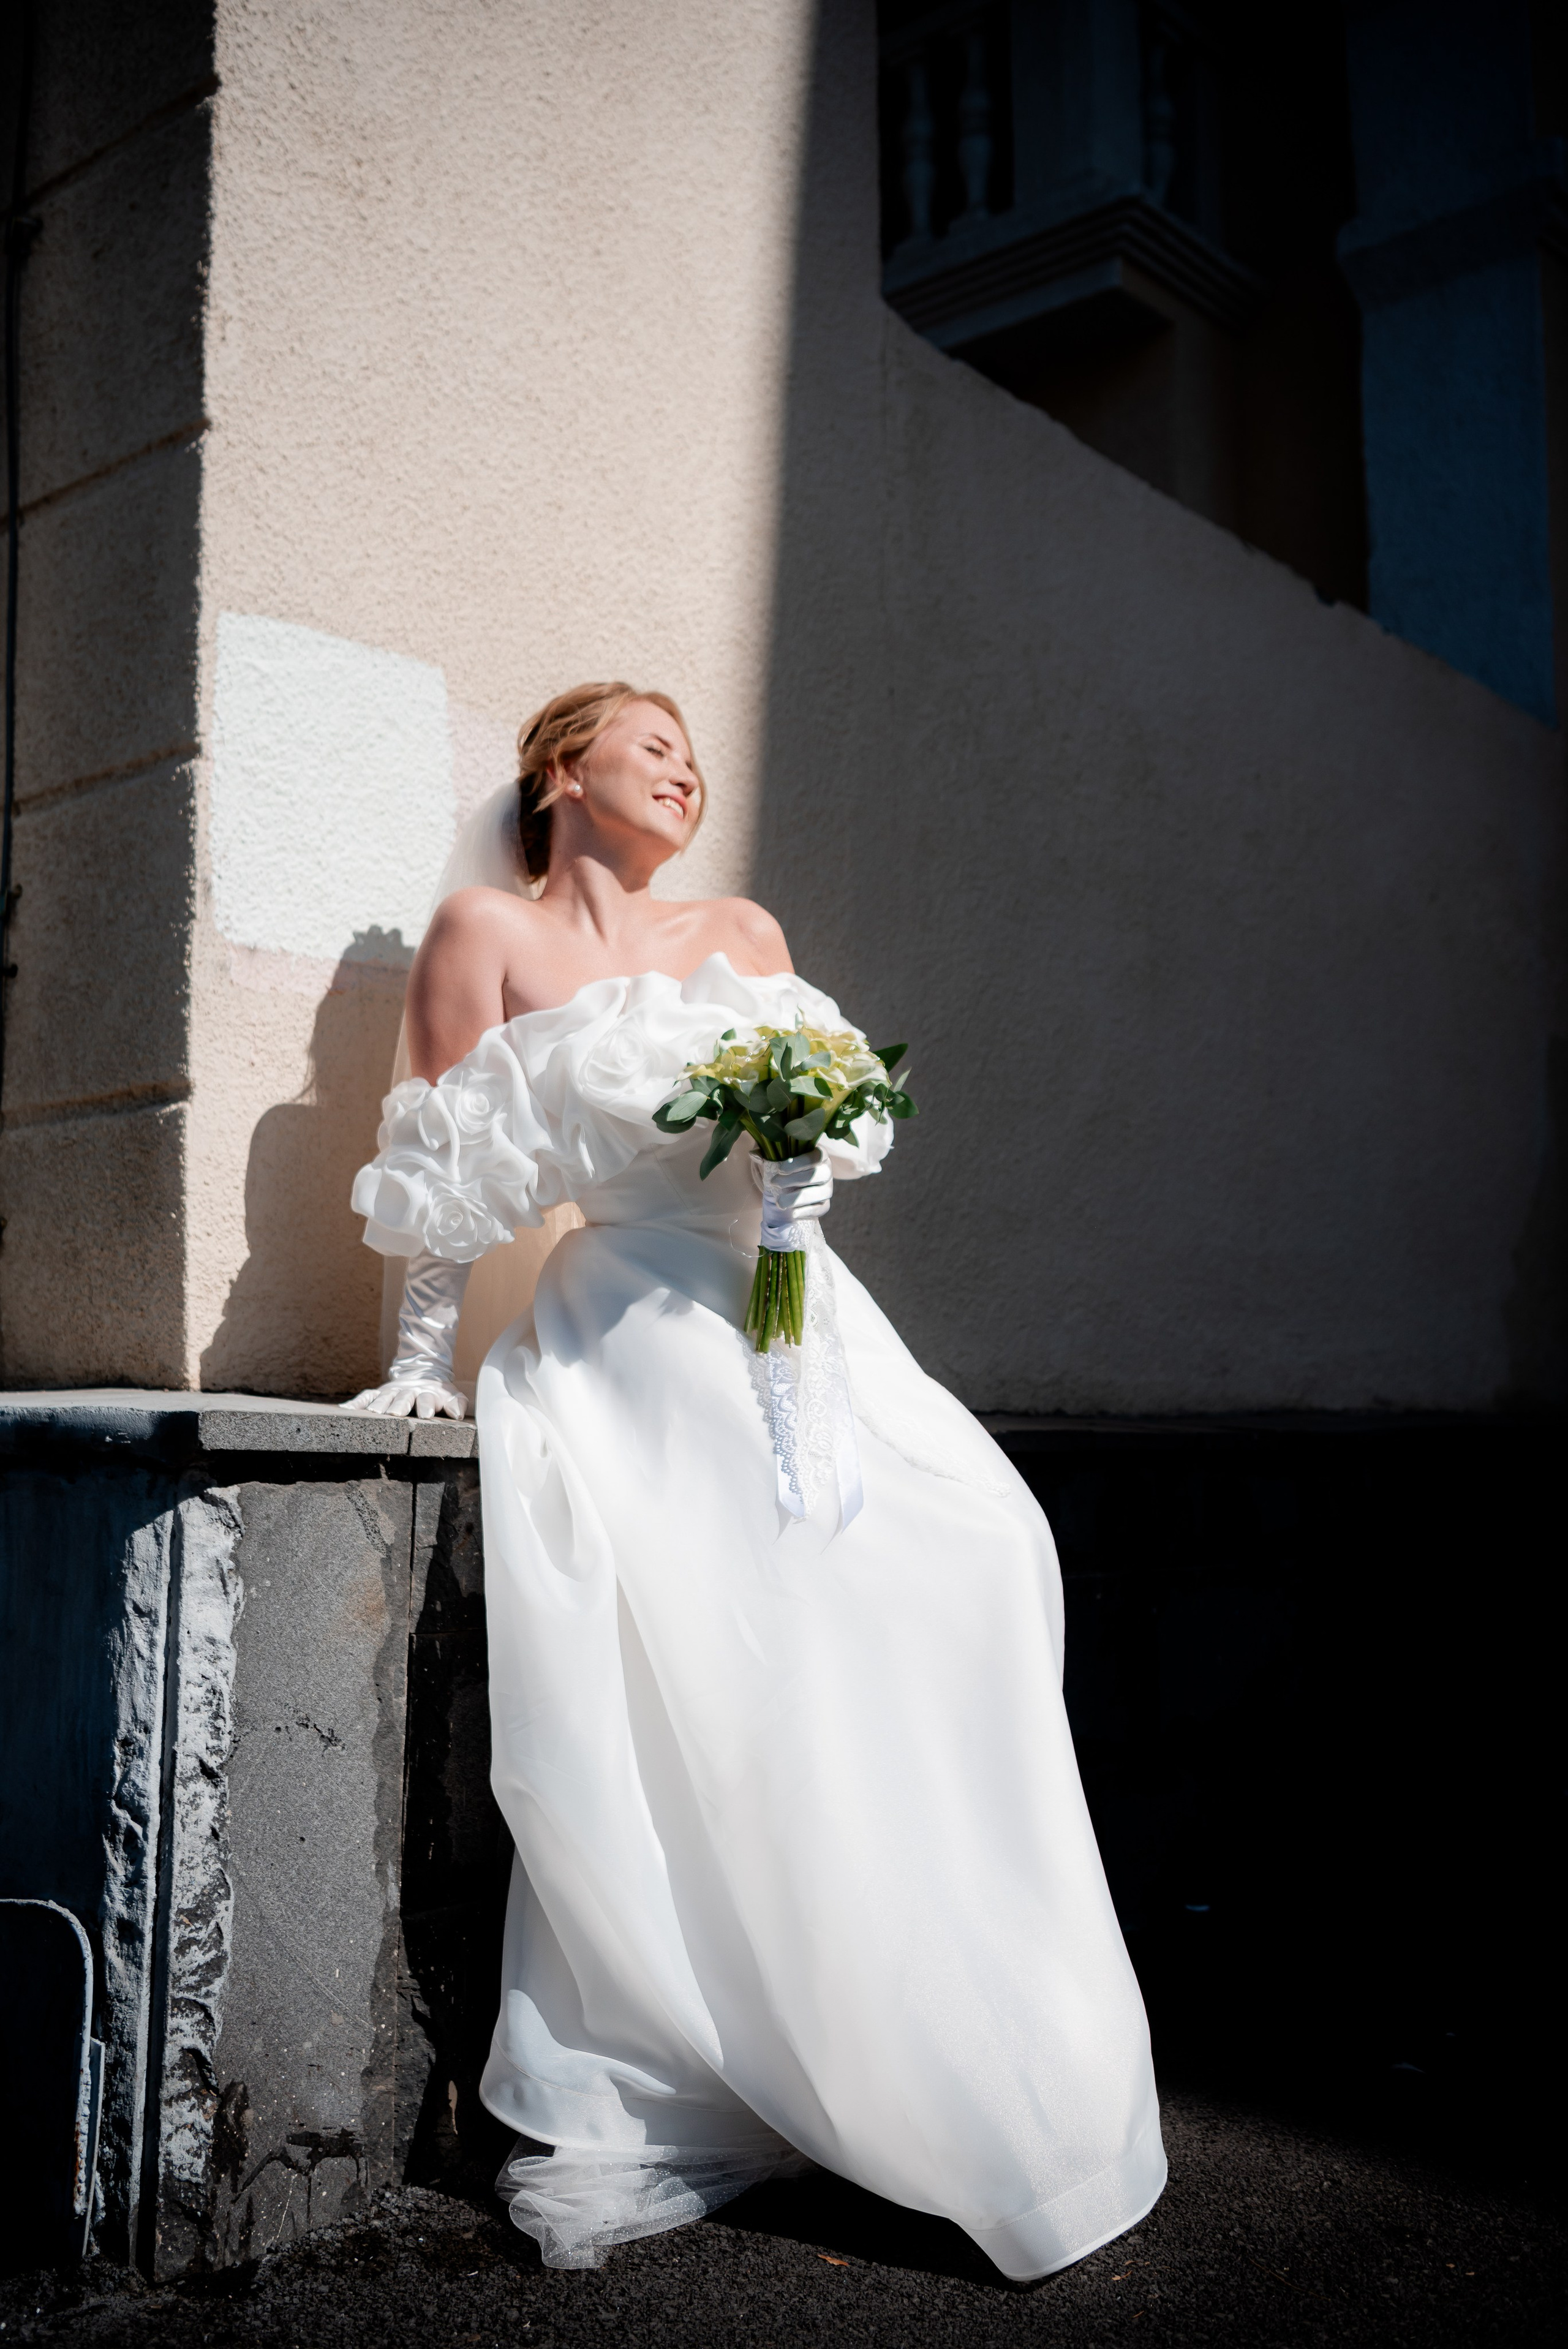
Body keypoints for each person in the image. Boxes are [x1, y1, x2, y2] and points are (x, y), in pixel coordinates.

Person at [346, 681, 1166, 2276]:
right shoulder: (484, 932)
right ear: (566, 768)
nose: (687, 770)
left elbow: (825, 1147)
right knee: (754, 1625)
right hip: (628, 1321)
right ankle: (752, 2024)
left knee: (988, 1551)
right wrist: (417, 1365)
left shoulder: (741, 927)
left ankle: (964, 2012)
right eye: (654, 745)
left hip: (791, 1318)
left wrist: (800, 1154)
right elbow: (442, 1159)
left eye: (694, 756)